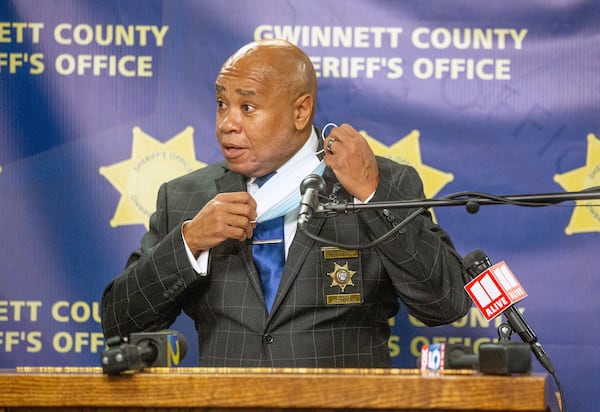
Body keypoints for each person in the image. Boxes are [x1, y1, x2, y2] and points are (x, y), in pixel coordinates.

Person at [101, 39, 472, 367]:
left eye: (247, 107)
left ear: (300, 111)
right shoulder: (187, 199)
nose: (227, 123)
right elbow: (120, 323)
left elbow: (444, 304)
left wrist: (374, 195)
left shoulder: (377, 183)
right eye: (221, 104)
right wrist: (189, 242)